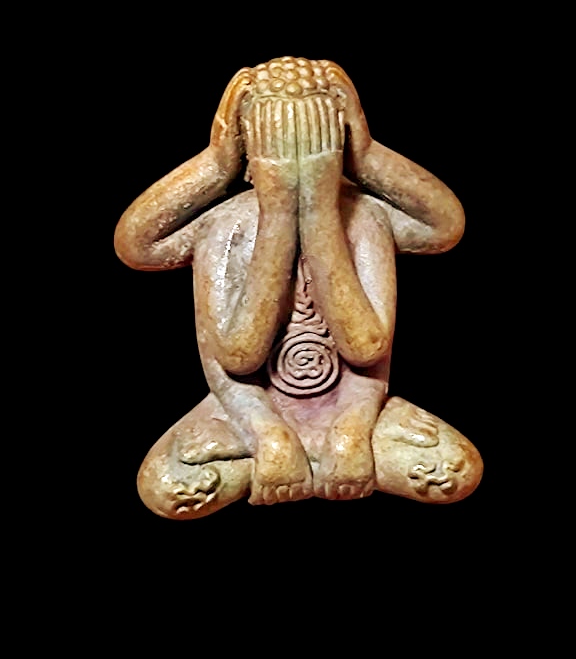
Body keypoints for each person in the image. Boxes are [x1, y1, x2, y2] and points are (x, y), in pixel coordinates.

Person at [115, 57, 482, 519]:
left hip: (356, 408)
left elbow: (367, 348)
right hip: (247, 409)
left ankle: (316, 461)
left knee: (455, 471)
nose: (296, 169)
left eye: (315, 149)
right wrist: (269, 436)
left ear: (339, 151)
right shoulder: (227, 226)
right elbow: (238, 359)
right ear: (248, 157)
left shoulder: (364, 219)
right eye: (276, 151)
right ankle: (298, 459)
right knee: (167, 489)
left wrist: (341, 186)